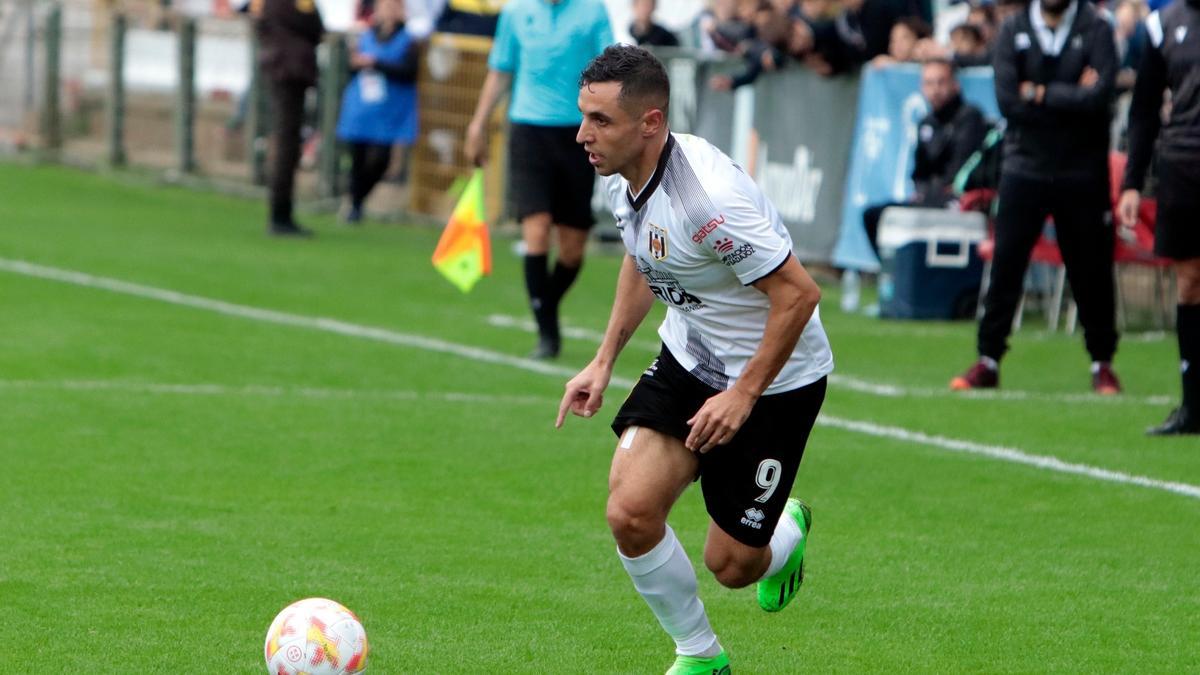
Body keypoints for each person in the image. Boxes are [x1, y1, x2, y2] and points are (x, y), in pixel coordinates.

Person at [557, 45, 833, 674]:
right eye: (583, 116)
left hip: (778, 378)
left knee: (732, 567)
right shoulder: (623, 176)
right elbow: (643, 254)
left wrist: (742, 396)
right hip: (691, 356)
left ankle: (784, 536)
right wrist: (604, 359)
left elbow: (798, 295)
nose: (583, 135)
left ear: (650, 123)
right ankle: (701, 655)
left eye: (599, 120)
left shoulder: (707, 204)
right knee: (629, 511)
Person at [951, 0, 1123, 394]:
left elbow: (1100, 98)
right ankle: (988, 359)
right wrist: (1070, 95)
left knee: (1091, 269)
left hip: (1082, 170)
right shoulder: (1013, 30)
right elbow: (1009, 102)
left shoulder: (1095, 28)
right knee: (1006, 263)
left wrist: (1040, 92)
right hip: (1024, 167)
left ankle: (1102, 363)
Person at [464, 0, 613, 359]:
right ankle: (548, 333)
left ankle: (543, 305)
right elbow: (501, 70)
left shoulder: (593, 11)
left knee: (573, 249)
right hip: (528, 131)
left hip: (578, 133)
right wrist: (478, 123)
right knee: (537, 226)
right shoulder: (516, 13)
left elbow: (611, 73)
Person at [1117, 0, 1200, 434]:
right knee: (1189, 281)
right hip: (1184, 166)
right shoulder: (1160, 26)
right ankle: (1193, 405)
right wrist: (1132, 182)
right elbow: (1144, 109)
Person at [861, 58, 989, 256]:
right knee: (873, 215)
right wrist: (922, 191)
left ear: (955, 84)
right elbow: (919, 171)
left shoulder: (970, 118)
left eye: (941, 82)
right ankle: (892, 272)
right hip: (927, 198)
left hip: (956, 200)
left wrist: (936, 193)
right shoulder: (926, 123)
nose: (935, 89)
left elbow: (961, 172)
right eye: (929, 83)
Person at [336, 0, 419, 224]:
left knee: (381, 159)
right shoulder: (365, 36)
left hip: (390, 108)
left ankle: (357, 199)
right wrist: (357, 63)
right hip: (363, 105)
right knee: (357, 157)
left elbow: (410, 72)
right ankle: (355, 204)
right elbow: (350, 68)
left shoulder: (408, 40)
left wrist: (376, 63)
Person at [253, 0, 325, 237]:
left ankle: (280, 212)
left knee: (286, 140)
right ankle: (280, 214)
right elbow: (315, 26)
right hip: (291, 69)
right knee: (287, 143)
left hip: (278, 66)